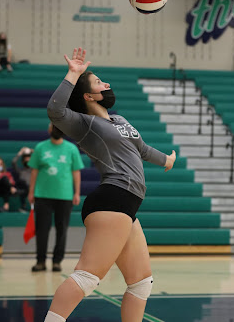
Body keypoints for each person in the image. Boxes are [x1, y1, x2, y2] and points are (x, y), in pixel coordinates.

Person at [44, 47, 176, 322]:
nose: (106, 84)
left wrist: (166, 159)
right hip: (113, 198)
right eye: (98, 82)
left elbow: (141, 149)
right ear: (89, 96)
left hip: (127, 204)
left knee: (141, 282)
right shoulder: (85, 123)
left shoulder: (120, 120)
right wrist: (73, 74)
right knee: (88, 277)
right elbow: (55, 111)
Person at [28, 123, 85, 273]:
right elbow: (34, 171)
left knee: (62, 230)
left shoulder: (71, 149)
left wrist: (77, 192)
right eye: (53, 127)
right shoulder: (40, 147)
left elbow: (76, 172)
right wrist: (31, 191)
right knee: (42, 230)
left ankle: (57, 262)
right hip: (42, 195)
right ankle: (40, 262)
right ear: (49, 129)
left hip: (64, 195)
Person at [12, 147, 33, 211]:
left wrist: (32, 151)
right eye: (25, 159)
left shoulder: (34, 170)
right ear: (23, 161)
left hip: (32, 188)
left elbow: (41, 160)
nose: (27, 160)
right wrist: (20, 153)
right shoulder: (20, 171)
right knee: (22, 182)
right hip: (23, 187)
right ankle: (23, 206)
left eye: (29, 158)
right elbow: (13, 162)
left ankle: (24, 206)